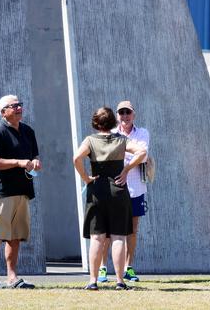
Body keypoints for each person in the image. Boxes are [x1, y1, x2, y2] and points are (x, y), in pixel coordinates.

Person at [73, 107, 147, 291]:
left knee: (97, 238)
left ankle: (93, 280)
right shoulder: (121, 140)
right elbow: (142, 152)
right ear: (114, 122)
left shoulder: (90, 140)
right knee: (119, 237)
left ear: (96, 123)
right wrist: (126, 170)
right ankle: (120, 281)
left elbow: (76, 158)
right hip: (118, 191)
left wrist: (86, 178)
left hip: (97, 190)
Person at [0, 95, 42, 289]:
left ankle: (12, 277)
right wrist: (17, 163)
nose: (19, 108)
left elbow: (34, 154)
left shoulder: (28, 131)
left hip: (23, 190)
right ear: (3, 112)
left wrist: (35, 162)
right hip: (3, 192)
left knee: (15, 236)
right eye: (14, 106)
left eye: (20, 105)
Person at [97, 101, 150, 283]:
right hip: (116, 186)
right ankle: (103, 268)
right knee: (109, 232)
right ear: (117, 116)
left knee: (133, 230)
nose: (125, 116)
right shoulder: (111, 134)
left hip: (136, 188)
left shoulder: (143, 133)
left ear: (133, 114)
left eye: (128, 112)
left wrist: (125, 168)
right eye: (121, 113)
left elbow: (142, 153)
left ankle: (128, 268)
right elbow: (111, 156)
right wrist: (130, 159)